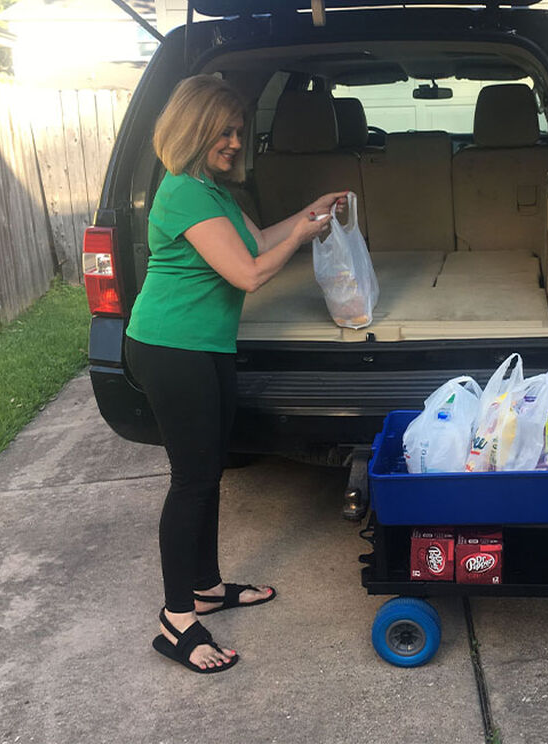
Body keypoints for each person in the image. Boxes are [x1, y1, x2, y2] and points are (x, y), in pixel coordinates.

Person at [125, 74, 347, 674]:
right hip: (171, 348)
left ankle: (205, 587)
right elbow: (247, 273)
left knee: (208, 471)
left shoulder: (215, 190)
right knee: (191, 480)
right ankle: (176, 621)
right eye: (222, 130)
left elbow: (259, 239)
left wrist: (307, 214)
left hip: (205, 347)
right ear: (193, 130)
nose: (232, 141)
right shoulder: (181, 192)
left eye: (238, 130)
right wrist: (302, 234)